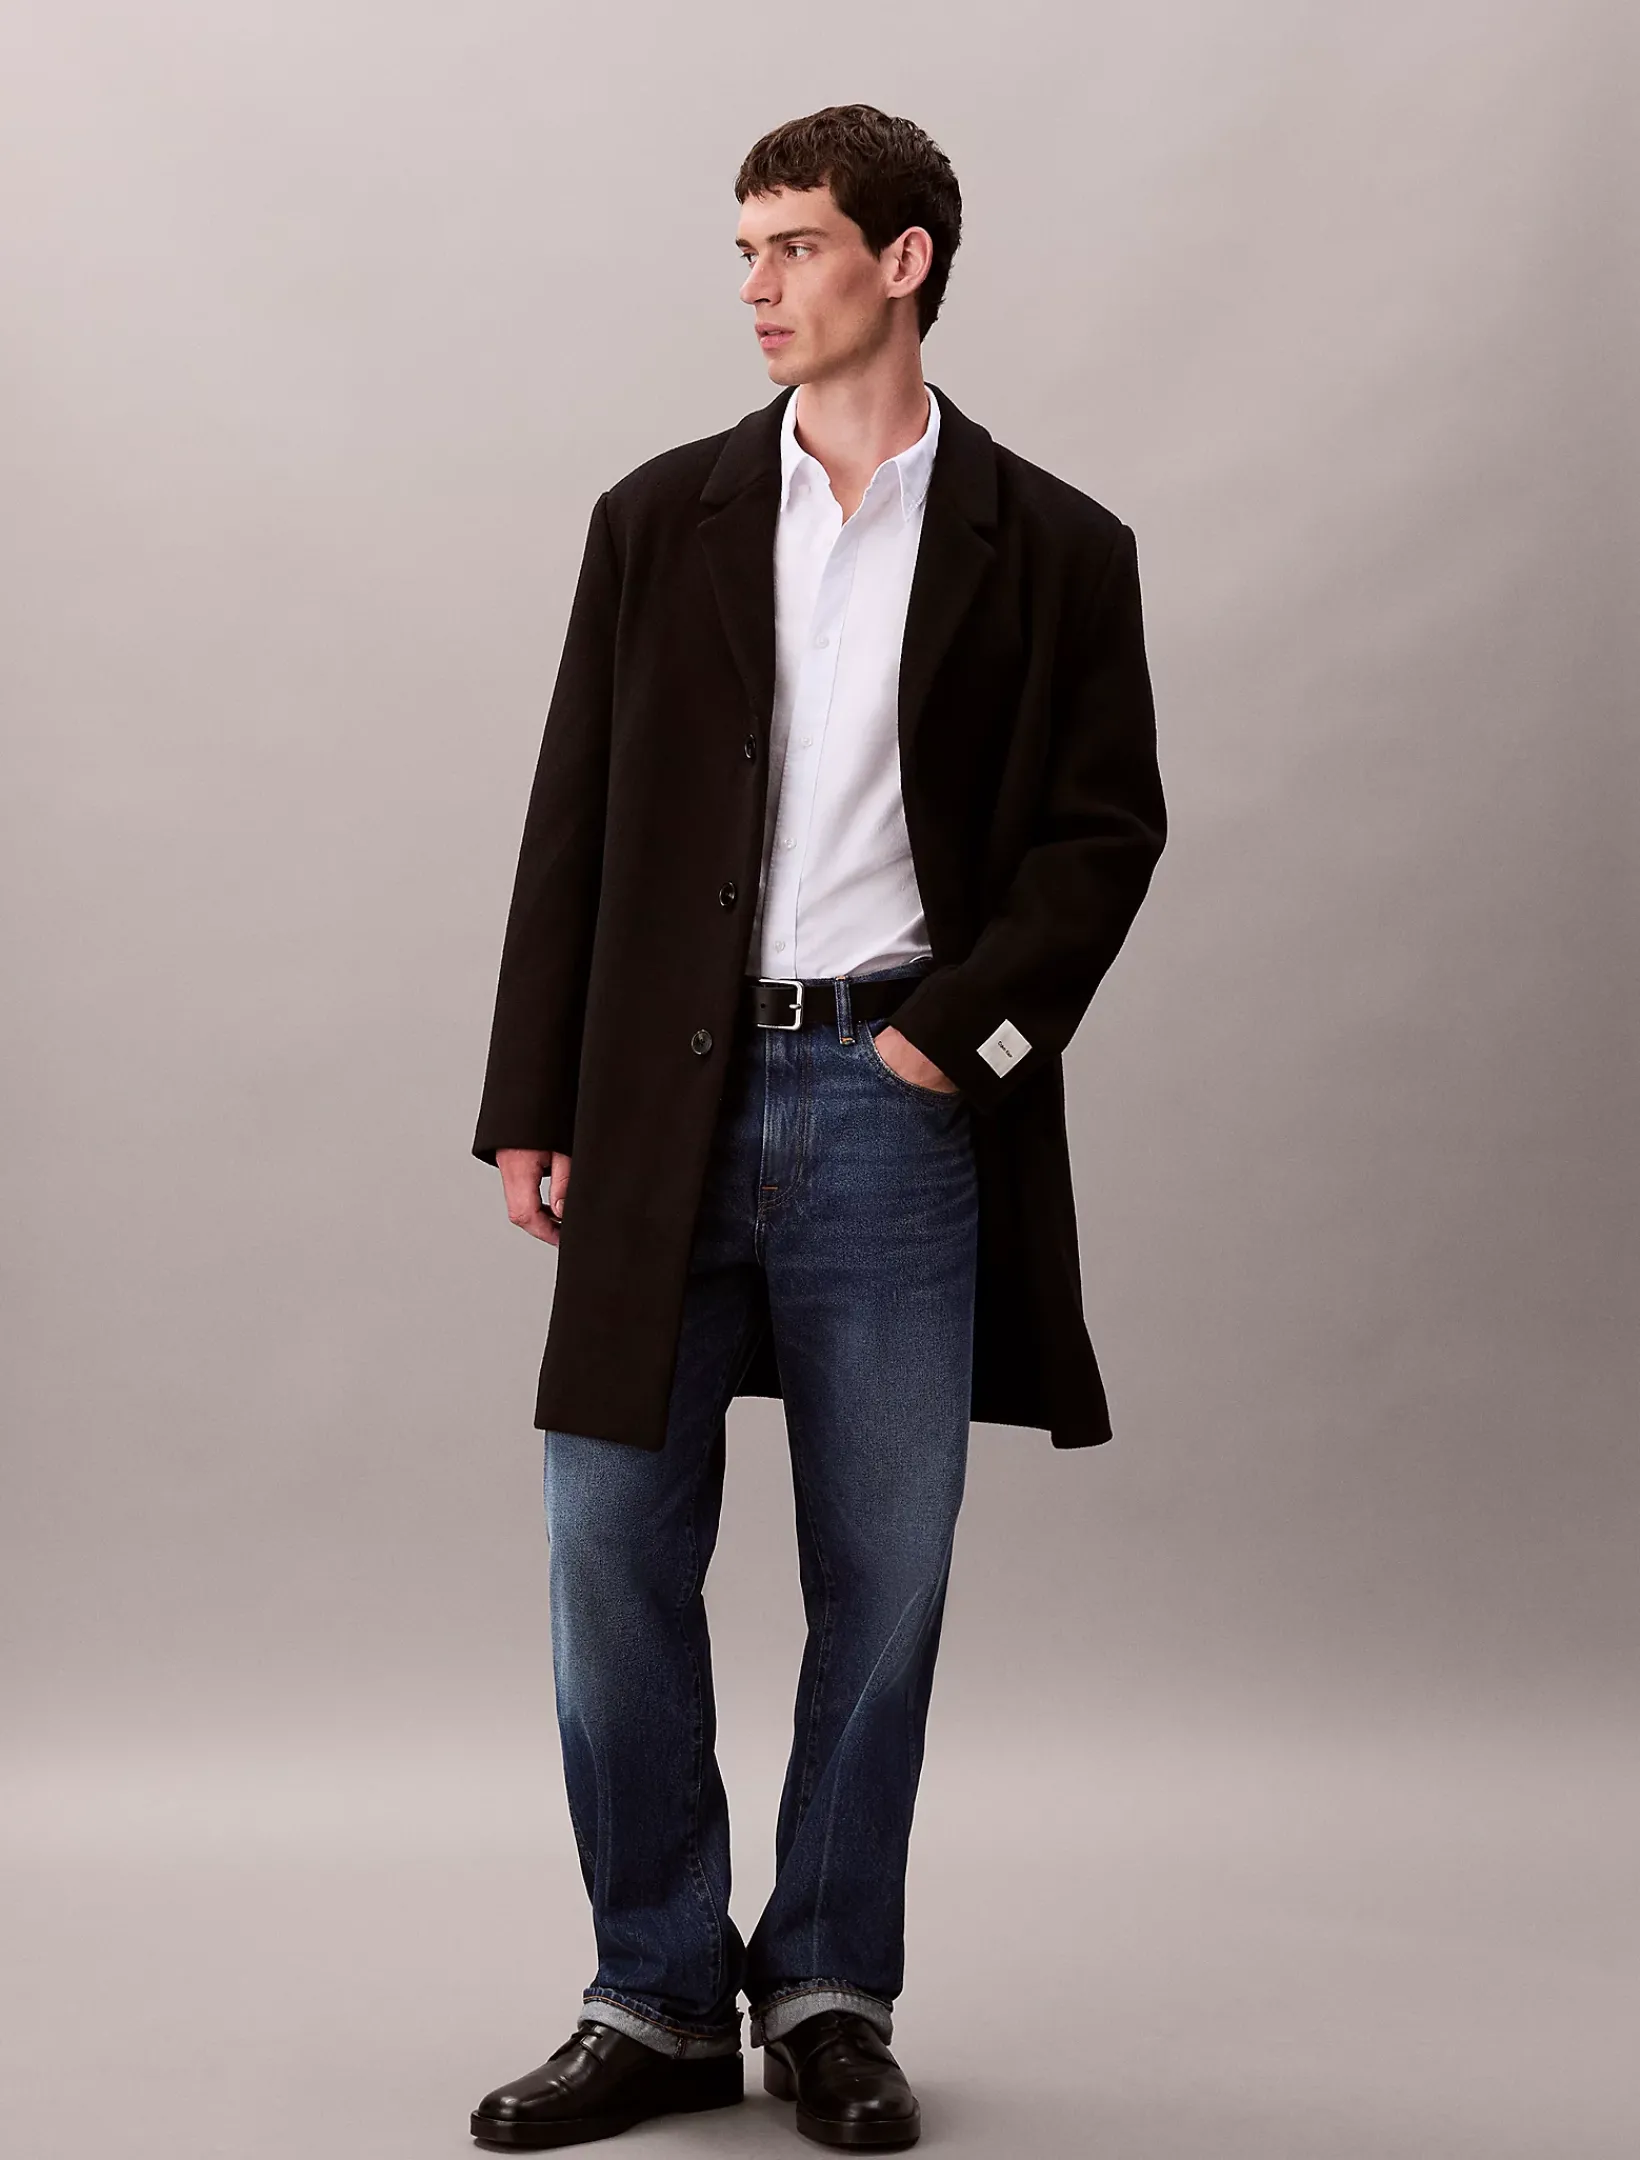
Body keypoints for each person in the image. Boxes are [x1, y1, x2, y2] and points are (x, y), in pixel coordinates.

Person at [467, 103, 1166, 2151]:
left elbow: (1103, 838)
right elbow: (574, 815)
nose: (758, 287)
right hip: (657, 1106)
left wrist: (956, 1044)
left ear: (903, 260)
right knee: (607, 1552)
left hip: (891, 1107)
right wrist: (530, 1100)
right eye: (747, 250)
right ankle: (655, 1993)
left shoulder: (1056, 546)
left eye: (795, 246)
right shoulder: (658, 518)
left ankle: (833, 1987)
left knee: (886, 1574)